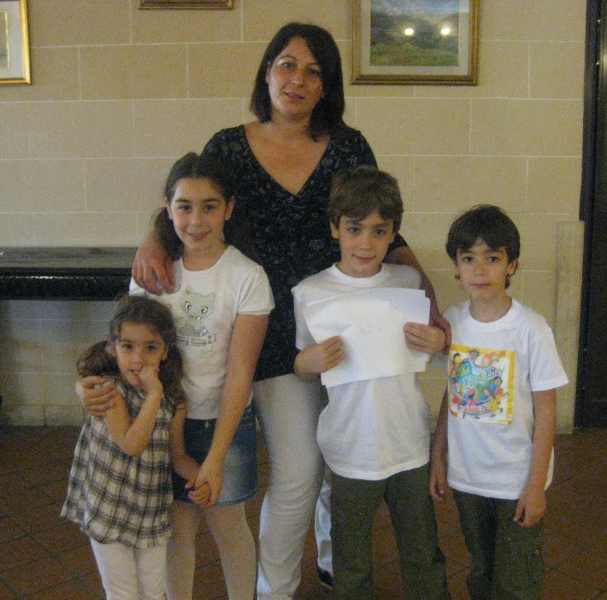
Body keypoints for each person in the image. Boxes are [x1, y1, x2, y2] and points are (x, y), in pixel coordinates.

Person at [110, 22, 449, 600]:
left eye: (314, 71)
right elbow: (191, 202)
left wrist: (428, 295)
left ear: (327, 85)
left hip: (343, 331)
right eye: (287, 64)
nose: (298, 79)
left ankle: (331, 560)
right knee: (298, 472)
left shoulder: (348, 146)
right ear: (267, 72)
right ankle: (276, 588)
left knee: (340, 456)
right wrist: (151, 236)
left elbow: (382, 225)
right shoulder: (228, 146)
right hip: (264, 335)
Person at [292, 165, 449, 600]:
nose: (365, 243)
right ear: (335, 228)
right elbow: (304, 367)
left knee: (422, 549)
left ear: (393, 233)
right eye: (354, 229)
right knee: (350, 556)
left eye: (379, 231)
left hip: (408, 443)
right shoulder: (310, 292)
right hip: (349, 448)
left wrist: (438, 340)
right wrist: (307, 361)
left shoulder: (408, 281)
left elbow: (436, 346)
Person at [137, 152, 273, 600]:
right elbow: (132, 353)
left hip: (223, 422)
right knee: (177, 528)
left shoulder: (247, 276)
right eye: (184, 206)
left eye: (209, 206)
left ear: (229, 208)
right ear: (168, 207)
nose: (196, 221)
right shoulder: (154, 273)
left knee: (227, 523)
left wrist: (214, 457)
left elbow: (240, 372)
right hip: (164, 420)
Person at [429, 205, 569, 600]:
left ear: (511, 265)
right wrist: (437, 456)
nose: (479, 270)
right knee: (481, 568)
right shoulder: (453, 321)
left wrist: (535, 486)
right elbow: (452, 393)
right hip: (468, 477)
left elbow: (546, 410)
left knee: (517, 578)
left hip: (515, 479)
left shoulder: (530, 329)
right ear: (456, 267)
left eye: (492, 258)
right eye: (468, 258)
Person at [61, 295, 208, 600]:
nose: (138, 359)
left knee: (154, 591)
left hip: (150, 511)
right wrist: (153, 395)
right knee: (123, 593)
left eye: (150, 347)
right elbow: (132, 444)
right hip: (109, 507)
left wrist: (201, 477)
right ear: (112, 347)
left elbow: (177, 455)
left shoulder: (173, 401)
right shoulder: (108, 391)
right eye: (128, 346)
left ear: (165, 351)